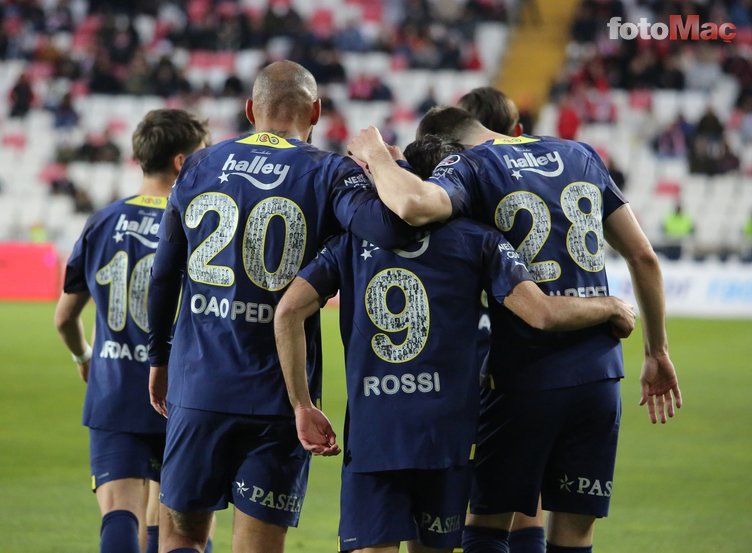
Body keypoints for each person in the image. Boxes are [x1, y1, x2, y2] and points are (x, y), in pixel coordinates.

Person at [273, 134, 635, 553]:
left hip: (376, 435)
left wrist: (302, 404)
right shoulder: (481, 240)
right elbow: (542, 313)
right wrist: (609, 306)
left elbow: (287, 313)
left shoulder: (351, 241)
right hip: (446, 437)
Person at [347, 107, 682, 553]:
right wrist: (656, 351)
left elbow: (413, 205)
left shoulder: (470, 165)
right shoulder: (580, 154)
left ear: (446, 146)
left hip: (524, 374)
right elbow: (643, 257)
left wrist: (375, 154)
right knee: (576, 531)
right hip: (600, 375)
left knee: (487, 526)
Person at [146, 60, 414, 553]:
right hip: (282, 399)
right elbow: (395, 228)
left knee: (181, 535)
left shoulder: (200, 165)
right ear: (315, 109)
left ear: (251, 109)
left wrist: (158, 357)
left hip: (199, 384)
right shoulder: (331, 173)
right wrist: (382, 163)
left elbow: (164, 274)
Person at [54, 109, 210, 553]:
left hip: (115, 390)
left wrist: (84, 357)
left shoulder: (101, 221)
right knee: (182, 527)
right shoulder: (202, 223)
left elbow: (64, 317)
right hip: (185, 392)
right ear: (182, 162)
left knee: (120, 512)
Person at [454, 88, 545, 553]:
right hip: (541, 357)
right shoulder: (538, 180)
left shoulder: (462, 187)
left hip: (473, 360)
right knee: (527, 497)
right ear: (517, 134)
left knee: (483, 507)